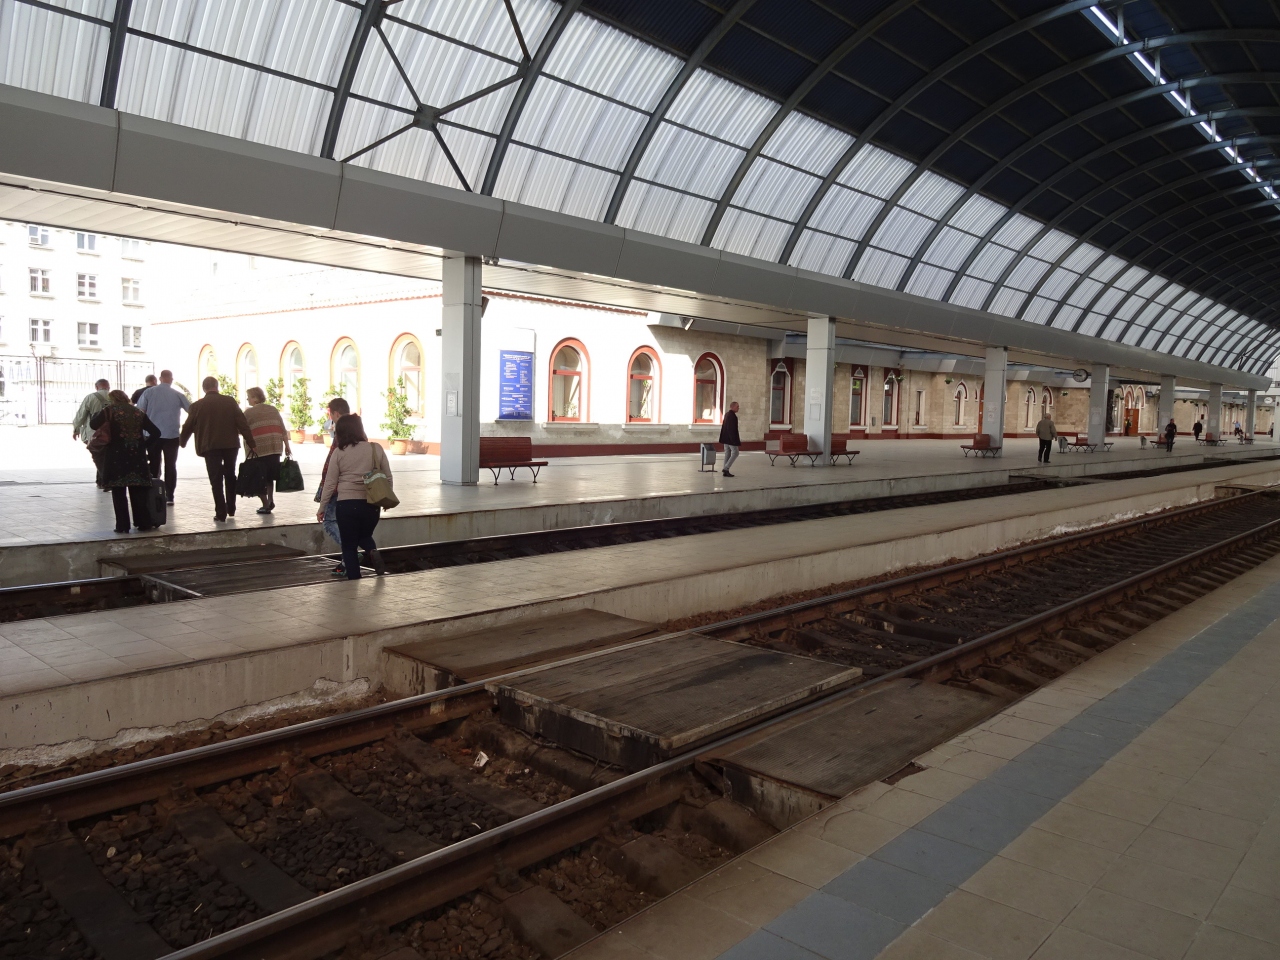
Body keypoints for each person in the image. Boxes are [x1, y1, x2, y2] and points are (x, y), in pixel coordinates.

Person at [317, 414, 388, 579]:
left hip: (346, 505)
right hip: (371, 504)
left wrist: (322, 507)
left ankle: (354, 580)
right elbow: (388, 476)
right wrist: (385, 499)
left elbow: (330, 484)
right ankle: (372, 550)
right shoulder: (375, 448)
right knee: (364, 535)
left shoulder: (339, 452)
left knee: (349, 546)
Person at [179, 376, 255, 522]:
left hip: (210, 446)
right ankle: (231, 507)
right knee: (230, 475)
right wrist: (251, 442)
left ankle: (221, 512)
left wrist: (182, 442)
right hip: (230, 445)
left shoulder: (197, 406)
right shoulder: (230, 402)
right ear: (217, 386)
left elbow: (187, 426)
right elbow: (242, 423)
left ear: (204, 388)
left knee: (216, 479)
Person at [90, 391, 161, 533]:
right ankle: (143, 523)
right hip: (137, 457)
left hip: (116, 457)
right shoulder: (137, 412)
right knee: (138, 491)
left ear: (112, 399)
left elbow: (93, 424)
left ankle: (122, 525)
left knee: (119, 493)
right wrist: (143, 445)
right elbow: (156, 432)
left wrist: (100, 412)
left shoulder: (109, 410)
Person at [137, 369, 190, 505]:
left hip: (152, 435)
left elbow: (140, 411)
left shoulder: (148, 392)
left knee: (154, 464)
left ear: (160, 379)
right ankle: (170, 495)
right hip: (172, 435)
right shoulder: (178, 394)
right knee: (171, 465)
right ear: (171, 379)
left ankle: (154, 493)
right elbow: (191, 410)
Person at [243, 386, 291, 514]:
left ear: (254, 398)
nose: (247, 399)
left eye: (249, 397)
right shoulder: (273, 409)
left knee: (258, 477)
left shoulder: (248, 413)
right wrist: (287, 446)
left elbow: (242, 429)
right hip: (275, 447)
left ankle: (265, 504)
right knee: (270, 476)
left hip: (259, 449)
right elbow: (282, 429)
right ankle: (270, 500)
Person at [318, 397, 350, 575]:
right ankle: (346, 562)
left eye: (330, 415)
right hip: (353, 488)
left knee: (330, 522)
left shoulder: (341, 432)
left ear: (336, 413)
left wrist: (323, 498)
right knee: (345, 524)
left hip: (338, 486)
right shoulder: (358, 431)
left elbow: (332, 467)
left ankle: (350, 551)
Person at [72, 378, 112, 489]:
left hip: (94, 434)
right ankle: (101, 481)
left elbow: (81, 415)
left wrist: (76, 429)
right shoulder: (115, 397)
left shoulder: (90, 397)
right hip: (111, 433)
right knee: (106, 457)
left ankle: (104, 481)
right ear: (108, 387)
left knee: (99, 456)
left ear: (97, 387)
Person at [719, 401, 741, 477]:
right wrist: (733, 440)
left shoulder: (727, 414)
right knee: (735, 453)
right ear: (733, 407)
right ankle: (726, 468)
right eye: (737, 406)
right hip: (730, 439)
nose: (738, 408)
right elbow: (731, 429)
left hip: (725, 438)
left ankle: (725, 471)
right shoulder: (732, 416)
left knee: (727, 453)